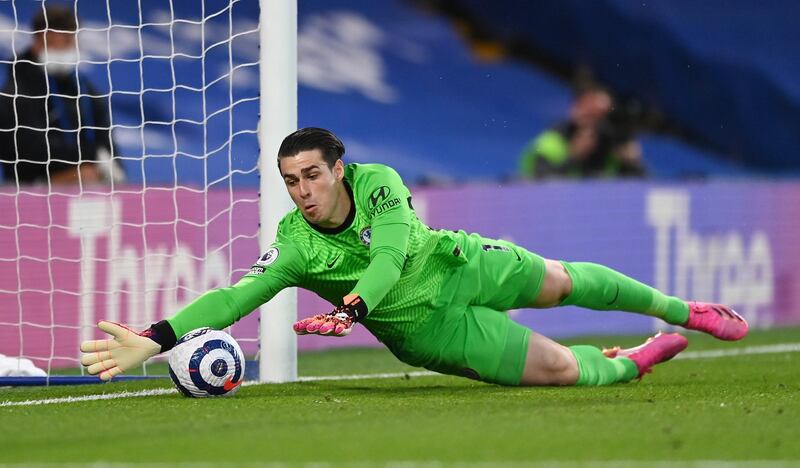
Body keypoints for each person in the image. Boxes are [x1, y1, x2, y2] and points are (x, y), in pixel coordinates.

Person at [80, 128, 748, 387]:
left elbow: (392, 255)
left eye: (312, 175)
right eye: (291, 181)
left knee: (562, 280)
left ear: (339, 169)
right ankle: (630, 363)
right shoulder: (295, 244)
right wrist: (154, 339)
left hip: (459, 262)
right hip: (429, 330)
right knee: (562, 370)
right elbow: (232, 299)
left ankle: (685, 309)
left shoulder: (380, 183)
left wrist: (354, 306)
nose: (303, 191)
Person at [0, 5, 121, 185]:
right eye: (65, 39)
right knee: (85, 176)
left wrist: (110, 164)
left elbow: (107, 143)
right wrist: (92, 155)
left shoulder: (85, 89)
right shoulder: (16, 91)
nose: (72, 46)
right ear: (42, 38)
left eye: (73, 38)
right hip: (28, 190)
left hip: (89, 178)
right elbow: (30, 152)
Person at [518, 87, 644, 179]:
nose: (594, 125)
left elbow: (646, 197)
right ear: (575, 110)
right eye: (590, 114)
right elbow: (538, 187)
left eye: (601, 117)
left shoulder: (611, 150)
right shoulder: (549, 144)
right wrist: (574, 157)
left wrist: (633, 165)